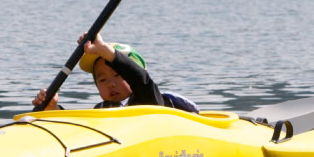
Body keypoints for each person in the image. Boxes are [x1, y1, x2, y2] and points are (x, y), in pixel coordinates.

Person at [32, 32, 198, 113]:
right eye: (102, 80)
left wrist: (108, 53)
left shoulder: (150, 99)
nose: (111, 83)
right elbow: (79, 130)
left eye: (118, 76)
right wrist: (53, 108)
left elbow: (140, 80)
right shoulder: (101, 110)